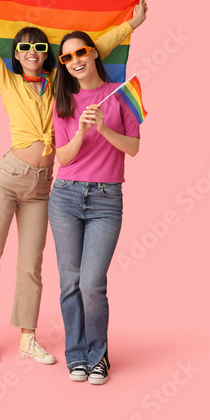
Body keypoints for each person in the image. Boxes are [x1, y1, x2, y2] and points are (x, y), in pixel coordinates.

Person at [0, 0, 147, 365]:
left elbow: (94, 49)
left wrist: (131, 25)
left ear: (47, 54)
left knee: (32, 264)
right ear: (18, 56)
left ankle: (27, 337)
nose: (33, 51)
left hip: (44, 185)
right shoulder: (7, 81)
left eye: (39, 46)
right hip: (8, 178)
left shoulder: (60, 81)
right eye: (25, 47)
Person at [48, 30, 143, 384]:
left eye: (81, 52)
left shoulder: (122, 92)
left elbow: (132, 148)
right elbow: (62, 158)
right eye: (67, 57)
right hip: (66, 196)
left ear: (94, 53)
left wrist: (103, 129)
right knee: (70, 281)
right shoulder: (63, 101)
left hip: (106, 199)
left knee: (92, 283)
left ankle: (97, 355)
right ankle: (76, 356)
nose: (75, 61)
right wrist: (79, 134)